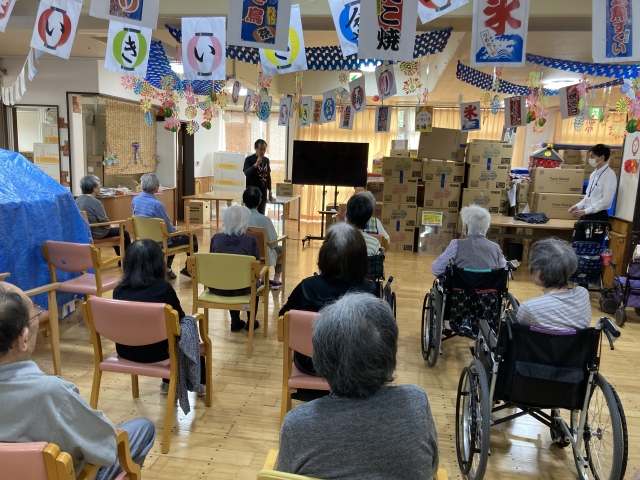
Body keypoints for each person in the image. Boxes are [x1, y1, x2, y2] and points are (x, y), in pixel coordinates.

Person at [0, 282, 155, 480]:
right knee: (143, 427)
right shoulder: (51, 393)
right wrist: (103, 423)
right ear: (23, 339)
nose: (38, 316)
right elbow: (105, 449)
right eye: (36, 313)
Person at [276, 293, 439, 479]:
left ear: (321, 360)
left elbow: (283, 476)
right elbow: (432, 469)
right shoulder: (416, 402)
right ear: (390, 355)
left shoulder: (297, 425)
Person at [280, 222, 378, 376]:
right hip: (353, 367)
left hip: (309, 364)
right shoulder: (370, 291)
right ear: (360, 258)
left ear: (325, 254)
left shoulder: (306, 287)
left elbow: (283, 320)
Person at [112, 239, 207, 396]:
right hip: (160, 353)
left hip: (125, 350)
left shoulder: (118, 291)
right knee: (189, 327)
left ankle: (167, 382)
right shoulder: (163, 290)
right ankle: (199, 382)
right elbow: (179, 320)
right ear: (157, 264)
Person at [132, 173, 198, 279]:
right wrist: (180, 232)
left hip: (144, 239)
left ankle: (167, 269)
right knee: (190, 237)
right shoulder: (157, 205)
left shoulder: (135, 200)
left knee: (173, 237)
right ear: (156, 187)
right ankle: (187, 269)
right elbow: (168, 228)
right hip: (160, 242)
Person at [516, 237, 591, 330]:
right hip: (578, 340)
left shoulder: (529, 308)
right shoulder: (583, 294)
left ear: (538, 272)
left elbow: (518, 331)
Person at [209, 204, 262, 332]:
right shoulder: (251, 241)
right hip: (244, 288)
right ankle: (251, 321)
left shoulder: (216, 238)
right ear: (244, 222)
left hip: (218, 287)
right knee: (253, 282)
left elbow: (212, 263)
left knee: (229, 277)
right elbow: (256, 269)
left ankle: (235, 321)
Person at [431, 204, 506, 276]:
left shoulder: (456, 245)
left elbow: (436, 269)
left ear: (466, 227)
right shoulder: (495, 248)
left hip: (460, 284)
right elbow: (505, 272)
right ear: (487, 227)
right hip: (488, 284)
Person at [569, 144, 617, 242]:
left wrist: (585, 211)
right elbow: (588, 196)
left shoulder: (609, 175)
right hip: (587, 215)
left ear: (602, 157)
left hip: (598, 217)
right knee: (576, 243)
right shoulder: (594, 174)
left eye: (592, 157)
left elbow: (606, 202)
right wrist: (578, 206)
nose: (590, 159)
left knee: (591, 247)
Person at [75, 175, 131, 257]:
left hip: (86, 232)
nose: (100, 186)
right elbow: (105, 223)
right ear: (94, 188)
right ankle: (128, 258)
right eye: (99, 184)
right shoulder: (95, 202)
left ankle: (121, 257)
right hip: (98, 233)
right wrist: (111, 225)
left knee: (117, 230)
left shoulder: (78, 200)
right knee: (123, 232)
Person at [243, 186, 283, 289]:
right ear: (260, 201)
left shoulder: (238, 218)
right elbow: (273, 241)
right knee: (281, 249)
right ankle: (276, 280)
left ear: (244, 200)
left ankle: (264, 279)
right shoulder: (264, 220)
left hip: (243, 253)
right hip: (262, 256)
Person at [243, 139, 273, 215]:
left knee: (261, 214)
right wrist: (256, 164)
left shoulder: (266, 160)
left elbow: (268, 176)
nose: (262, 151)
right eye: (260, 149)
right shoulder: (249, 159)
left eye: (264, 149)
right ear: (255, 148)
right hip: (252, 193)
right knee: (250, 215)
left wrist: (270, 191)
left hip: (262, 193)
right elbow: (246, 173)